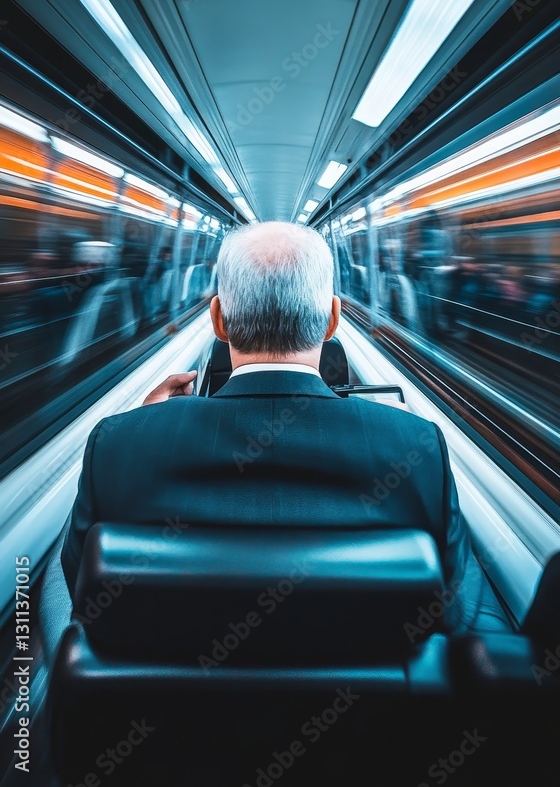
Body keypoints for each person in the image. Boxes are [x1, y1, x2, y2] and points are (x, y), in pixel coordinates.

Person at [61, 221, 508, 632]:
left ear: (217, 319)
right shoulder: (416, 447)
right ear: (334, 319)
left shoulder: (118, 444)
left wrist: (146, 426)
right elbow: (456, 607)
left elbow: (80, 589)